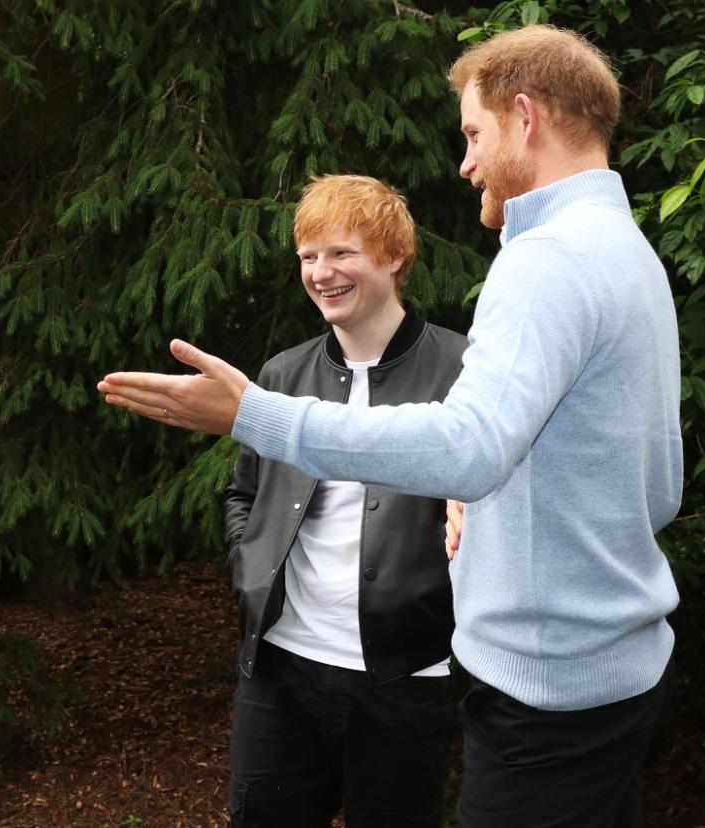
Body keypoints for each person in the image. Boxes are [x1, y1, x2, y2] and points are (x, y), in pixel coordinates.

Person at [98, 24, 681, 828]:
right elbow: (653, 482)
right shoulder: (627, 253)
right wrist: (491, 500)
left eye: (474, 134)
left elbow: (469, 449)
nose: (466, 161)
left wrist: (254, 416)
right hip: (612, 680)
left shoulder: (546, 259)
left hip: (547, 695)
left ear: (525, 117)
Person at [224, 174, 464, 827]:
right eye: (308, 256)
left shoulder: (465, 369)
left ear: (392, 256)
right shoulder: (282, 374)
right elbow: (244, 492)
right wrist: (250, 568)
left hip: (406, 679)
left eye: (341, 253)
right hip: (281, 668)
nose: (321, 272)